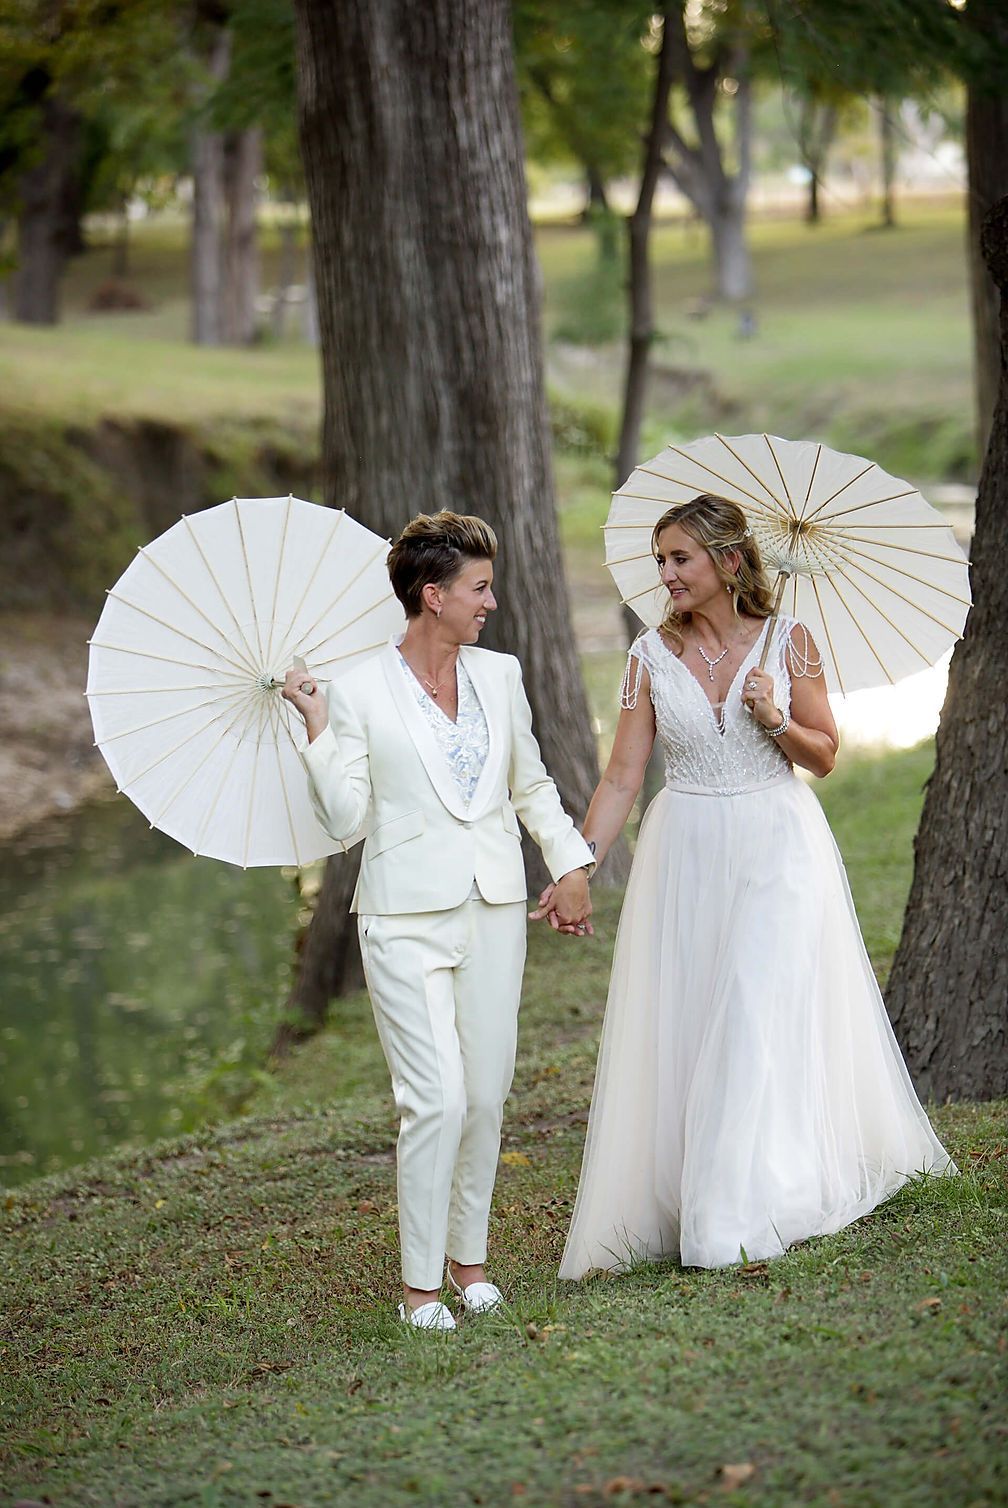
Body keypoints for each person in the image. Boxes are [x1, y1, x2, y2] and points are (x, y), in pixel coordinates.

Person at [546, 494, 953, 1278]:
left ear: (728, 562)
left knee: (753, 1008)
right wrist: (579, 865)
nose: (665, 574)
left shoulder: (790, 642)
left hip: (776, 845)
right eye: (660, 559)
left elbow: (825, 753)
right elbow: (623, 776)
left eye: (680, 559)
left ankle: (734, 1212)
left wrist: (774, 717)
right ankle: (697, 1193)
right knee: (697, 1017)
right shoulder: (647, 657)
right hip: (688, 849)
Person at [283, 511, 593, 1329]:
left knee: (486, 1097)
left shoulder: (501, 675)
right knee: (437, 1101)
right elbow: (347, 821)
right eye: (479, 588)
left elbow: (530, 785)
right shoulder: (354, 688)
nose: (491, 603)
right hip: (402, 916)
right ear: (433, 595)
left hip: (494, 908)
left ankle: (470, 1265)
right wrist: (316, 728)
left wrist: (569, 863)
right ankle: (420, 1287)